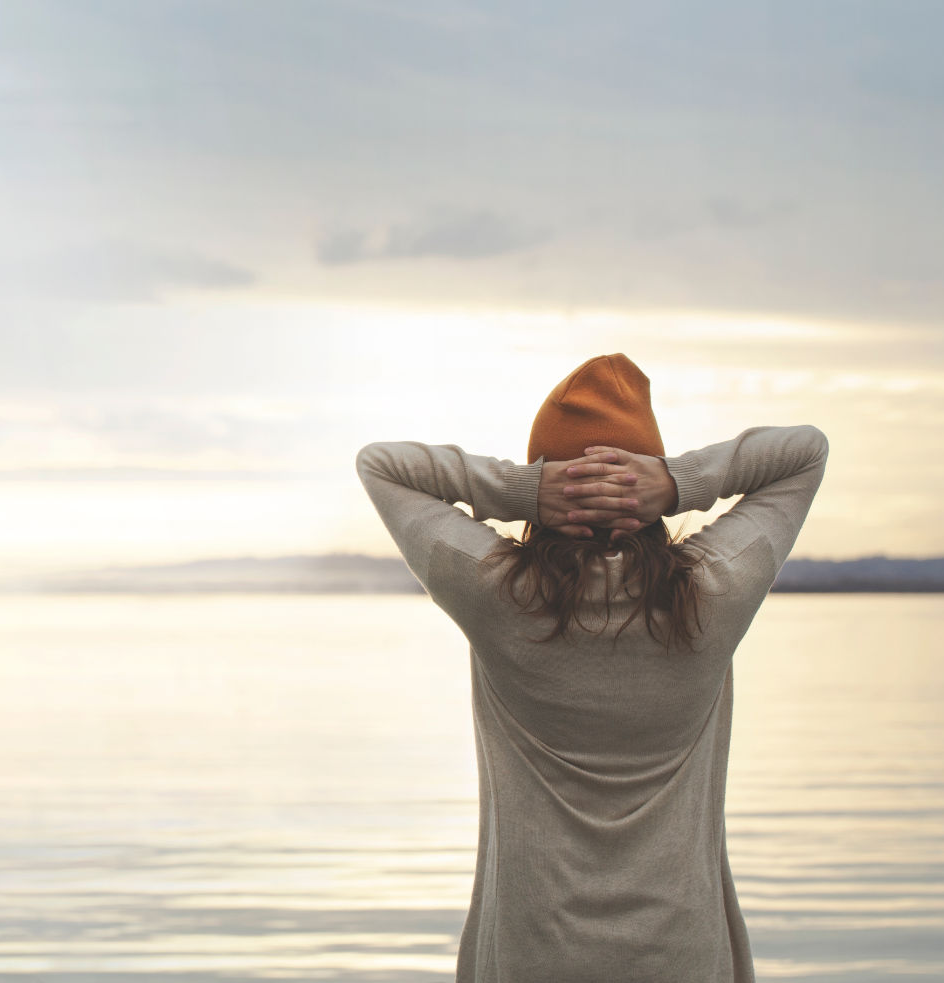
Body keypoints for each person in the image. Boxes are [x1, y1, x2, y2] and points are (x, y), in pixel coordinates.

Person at [355, 353, 828, 982]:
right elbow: (804, 451)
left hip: (533, 950)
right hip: (680, 951)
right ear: (647, 491)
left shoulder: (498, 595)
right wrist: (678, 481)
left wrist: (523, 489)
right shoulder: (714, 591)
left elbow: (382, 466)